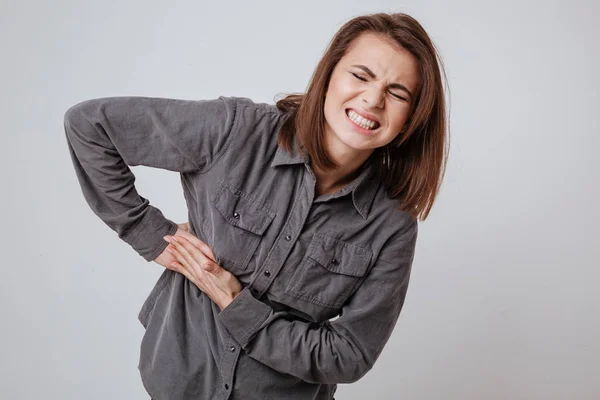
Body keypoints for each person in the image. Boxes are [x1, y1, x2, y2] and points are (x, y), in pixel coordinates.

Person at [63, 12, 448, 400]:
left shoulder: (392, 225)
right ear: (328, 75)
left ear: (411, 119)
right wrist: (150, 235)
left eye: (398, 93)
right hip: (174, 381)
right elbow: (90, 126)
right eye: (361, 76)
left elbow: (349, 355)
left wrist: (236, 304)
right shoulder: (236, 130)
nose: (373, 99)